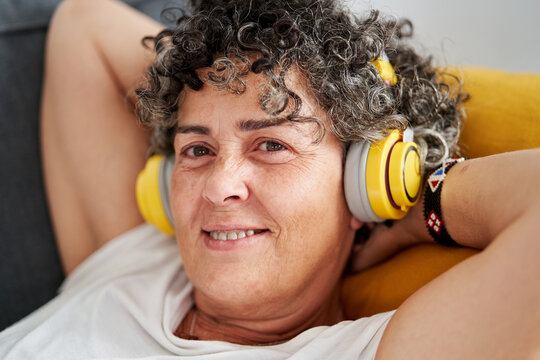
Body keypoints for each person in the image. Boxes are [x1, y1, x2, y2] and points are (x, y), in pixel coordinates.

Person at [1, 0, 539, 358]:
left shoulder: (367, 351)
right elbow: (82, 22)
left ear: (361, 179)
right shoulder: (135, 258)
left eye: (272, 145)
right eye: (197, 149)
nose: (218, 186)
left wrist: (412, 201)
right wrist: (216, 73)